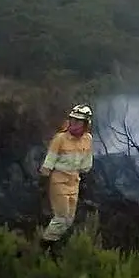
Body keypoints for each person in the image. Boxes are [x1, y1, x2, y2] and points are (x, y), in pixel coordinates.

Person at [39, 104, 94, 247]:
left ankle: (53, 242)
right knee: (61, 218)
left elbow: (86, 165)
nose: (74, 123)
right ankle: (44, 245)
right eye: (72, 120)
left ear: (86, 123)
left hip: (74, 182)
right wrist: (43, 181)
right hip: (59, 181)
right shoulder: (60, 138)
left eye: (78, 121)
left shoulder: (87, 139)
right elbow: (48, 162)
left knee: (69, 220)